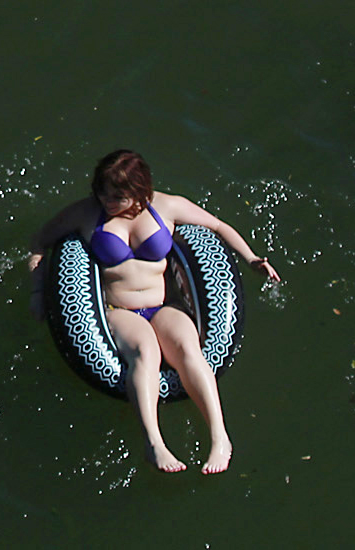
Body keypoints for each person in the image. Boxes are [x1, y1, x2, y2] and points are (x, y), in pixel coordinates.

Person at [28, 150, 279, 475]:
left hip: (163, 307)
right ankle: (154, 443)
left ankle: (220, 437)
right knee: (145, 351)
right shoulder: (87, 213)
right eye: (102, 192)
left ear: (139, 190)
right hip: (119, 311)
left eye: (117, 196)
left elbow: (217, 226)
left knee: (188, 348)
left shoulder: (166, 206)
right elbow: (38, 242)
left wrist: (252, 258)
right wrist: (37, 292)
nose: (107, 200)